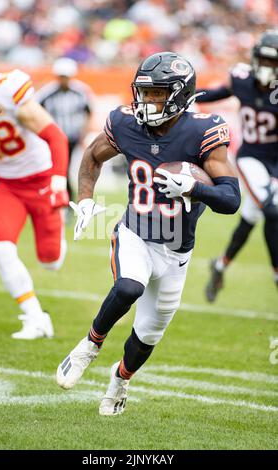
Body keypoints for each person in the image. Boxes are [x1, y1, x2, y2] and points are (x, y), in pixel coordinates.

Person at [56, 51, 240, 416]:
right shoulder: (125, 124)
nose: (148, 100)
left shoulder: (203, 131)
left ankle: (119, 381)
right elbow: (92, 156)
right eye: (144, 92)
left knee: (147, 336)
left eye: (157, 93)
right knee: (128, 287)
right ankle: (89, 347)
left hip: (176, 252)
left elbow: (231, 199)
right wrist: (87, 200)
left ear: (179, 94)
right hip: (135, 233)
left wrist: (193, 188)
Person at [0, 50, 69, 339]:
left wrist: (58, 180)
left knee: (50, 261)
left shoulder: (7, 91)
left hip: (41, 180)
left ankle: (58, 230)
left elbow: (56, 135)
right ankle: (35, 316)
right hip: (6, 185)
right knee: (0, 247)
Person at [196, 30, 278, 302]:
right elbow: (215, 93)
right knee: (272, 210)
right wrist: (184, 94)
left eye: (273, 62)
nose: (268, 67)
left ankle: (220, 265)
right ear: (255, 59)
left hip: (276, 162)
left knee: (253, 216)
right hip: (251, 157)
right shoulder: (242, 80)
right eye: (264, 60)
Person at [36, 57, 93, 215]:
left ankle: (66, 204)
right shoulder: (47, 92)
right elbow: (36, 113)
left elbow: (88, 113)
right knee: (56, 170)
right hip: (53, 139)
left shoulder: (80, 92)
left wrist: (84, 134)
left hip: (72, 137)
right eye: (61, 76)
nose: (63, 80)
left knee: (64, 169)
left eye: (65, 77)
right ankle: (61, 201)